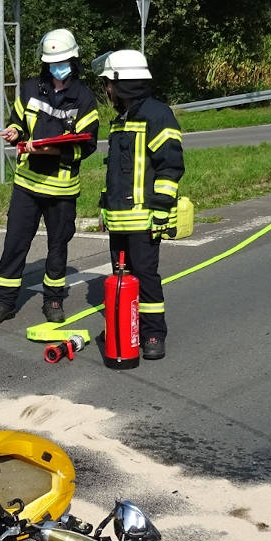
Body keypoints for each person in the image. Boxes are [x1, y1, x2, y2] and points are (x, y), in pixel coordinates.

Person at [0, 28, 100, 326]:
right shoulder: (32, 87)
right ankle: (3, 302)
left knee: (58, 247)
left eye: (61, 61)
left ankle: (54, 300)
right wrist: (14, 132)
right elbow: (19, 122)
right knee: (14, 244)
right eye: (51, 63)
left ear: (73, 61)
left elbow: (87, 146)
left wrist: (52, 152)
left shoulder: (84, 99)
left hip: (61, 188)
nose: (56, 68)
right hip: (27, 184)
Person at [94, 49, 184, 360]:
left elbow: (170, 166)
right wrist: (105, 204)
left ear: (123, 83)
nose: (107, 90)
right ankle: (124, 328)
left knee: (145, 278)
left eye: (109, 84)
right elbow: (116, 169)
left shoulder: (158, 115)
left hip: (145, 218)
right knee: (122, 278)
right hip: (119, 219)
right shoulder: (121, 119)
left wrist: (161, 208)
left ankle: (153, 334)